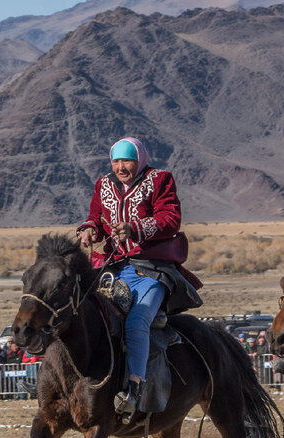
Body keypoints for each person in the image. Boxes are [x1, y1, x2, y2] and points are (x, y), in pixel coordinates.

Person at [76, 136, 202, 420]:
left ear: (140, 160)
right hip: (112, 267)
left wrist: (135, 228)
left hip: (151, 268)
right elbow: (96, 218)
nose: (121, 167)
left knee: (137, 320)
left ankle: (134, 388)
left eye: (127, 161)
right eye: (116, 161)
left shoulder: (160, 180)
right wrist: (89, 230)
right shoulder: (103, 185)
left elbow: (171, 218)